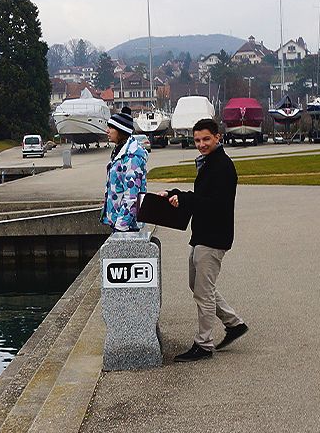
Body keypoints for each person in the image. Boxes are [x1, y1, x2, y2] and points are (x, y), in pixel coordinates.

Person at [158, 117, 247, 362]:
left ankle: (203, 344)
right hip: (202, 235)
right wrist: (174, 194)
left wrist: (185, 201)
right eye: (197, 140)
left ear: (218, 137)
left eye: (206, 139)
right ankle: (234, 323)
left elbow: (215, 205)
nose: (201, 144)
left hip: (214, 237)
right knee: (197, 286)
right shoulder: (209, 163)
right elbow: (201, 196)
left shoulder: (223, 167)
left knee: (203, 292)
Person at [101, 110, 147, 232]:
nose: (107, 131)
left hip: (126, 225)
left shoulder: (131, 158)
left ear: (121, 131)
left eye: (111, 128)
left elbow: (132, 196)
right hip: (118, 220)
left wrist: (121, 225)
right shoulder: (120, 152)